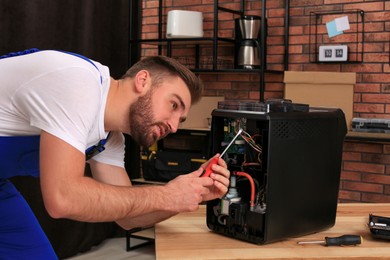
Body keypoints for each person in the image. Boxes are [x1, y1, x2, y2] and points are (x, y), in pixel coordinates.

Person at [0, 49, 230, 259]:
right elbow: (63, 197)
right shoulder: (78, 82)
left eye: (181, 120)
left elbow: (128, 218)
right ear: (143, 81)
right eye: (173, 105)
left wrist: (191, 194)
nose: (174, 127)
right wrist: (168, 195)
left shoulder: (109, 138)